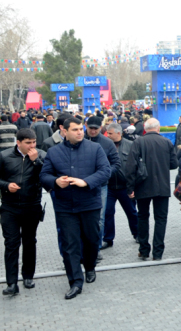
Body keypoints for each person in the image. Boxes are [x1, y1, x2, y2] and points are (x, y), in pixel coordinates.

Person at [40, 117, 111, 300]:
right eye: (75, 129)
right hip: (65, 206)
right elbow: (44, 175)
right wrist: (55, 182)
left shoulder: (95, 148)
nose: (80, 132)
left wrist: (86, 182)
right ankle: (75, 282)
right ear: (65, 131)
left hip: (90, 203)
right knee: (70, 244)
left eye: (81, 128)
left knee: (91, 239)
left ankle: (90, 267)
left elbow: (105, 171)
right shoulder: (54, 152)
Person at [0, 129, 47, 296]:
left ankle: (28, 276)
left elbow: (45, 177)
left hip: (31, 205)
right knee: (11, 243)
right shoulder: (5, 156)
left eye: (34, 142)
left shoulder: (40, 155)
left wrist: (36, 162)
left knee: (29, 241)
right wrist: (6, 186)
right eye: (28, 143)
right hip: (9, 207)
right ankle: (11, 283)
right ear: (18, 142)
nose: (32, 146)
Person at [125, 118, 178, 261]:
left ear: (144, 128)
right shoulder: (166, 142)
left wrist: (130, 188)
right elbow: (174, 164)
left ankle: (143, 249)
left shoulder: (138, 142)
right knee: (161, 218)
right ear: (158, 128)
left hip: (142, 185)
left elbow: (130, 167)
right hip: (162, 185)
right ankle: (158, 252)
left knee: (142, 216)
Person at [85, 116, 121, 259]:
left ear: (101, 128)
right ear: (86, 126)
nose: (93, 131)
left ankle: (96, 247)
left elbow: (116, 164)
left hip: (101, 186)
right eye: (90, 128)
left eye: (96, 128)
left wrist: (104, 174)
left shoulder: (107, 143)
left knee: (99, 218)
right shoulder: (79, 140)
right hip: (81, 185)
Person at [102, 124, 138, 248]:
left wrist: (133, 186)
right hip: (109, 186)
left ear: (118, 133)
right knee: (107, 213)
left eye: (110, 133)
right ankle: (108, 238)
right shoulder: (104, 145)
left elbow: (136, 166)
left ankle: (137, 234)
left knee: (132, 212)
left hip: (125, 187)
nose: (108, 135)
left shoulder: (131, 145)